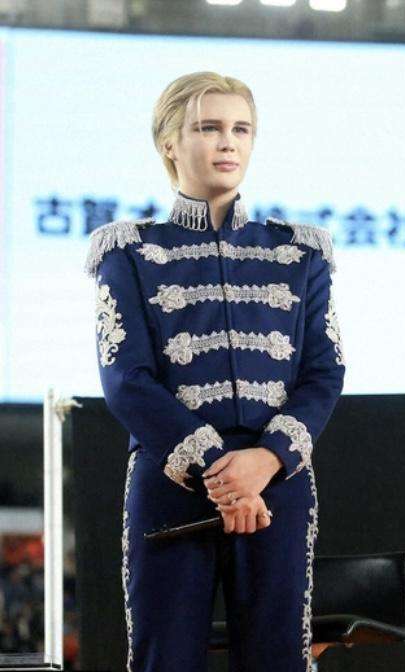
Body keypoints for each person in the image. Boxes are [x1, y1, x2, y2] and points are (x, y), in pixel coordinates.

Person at [86, 71, 345, 672]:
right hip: (171, 482)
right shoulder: (127, 251)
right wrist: (220, 472)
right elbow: (126, 380)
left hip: (277, 481)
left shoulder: (301, 252)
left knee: (278, 659)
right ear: (169, 143)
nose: (228, 142)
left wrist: (267, 460)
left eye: (241, 129)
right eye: (208, 128)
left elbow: (324, 371)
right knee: (165, 659)